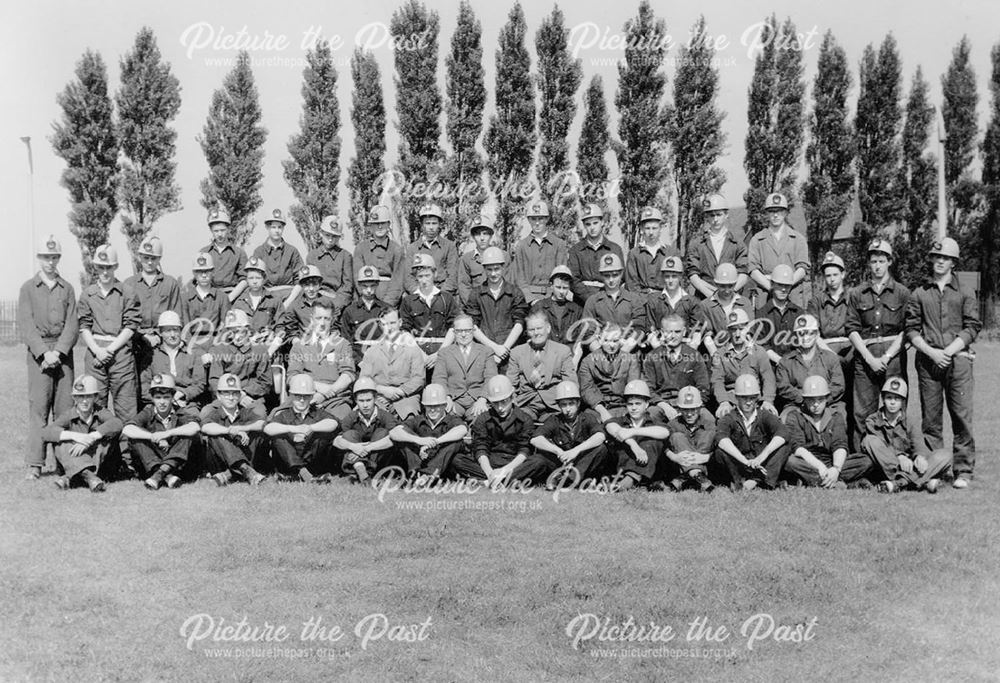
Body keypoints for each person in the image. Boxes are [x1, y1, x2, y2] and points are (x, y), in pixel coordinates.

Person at [905, 237, 981, 489]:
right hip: (928, 363)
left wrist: (949, 350)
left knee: (961, 415)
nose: (940, 261)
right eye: (936, 257)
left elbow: (972, 327)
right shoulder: (919, 292)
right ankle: (936, 468)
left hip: (958, 361)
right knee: (931, 420)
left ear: (953, 262)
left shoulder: (965, 291)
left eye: (945, 258)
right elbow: (912, 330)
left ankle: (963, 470)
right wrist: (931, 352)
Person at [19, 235, 78, 480]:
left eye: (54, 258)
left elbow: (73, 324)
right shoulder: (28, 288)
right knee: (39, 408)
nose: (50, 262)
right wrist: (44, 352)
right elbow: (26, 324)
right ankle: (35, 463)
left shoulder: (67, 288)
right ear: (39, 259)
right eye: (46, 257)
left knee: (64, 410)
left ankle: (64, 462)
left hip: (63, 355)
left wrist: (58, 352)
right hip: (39, 356)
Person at [845, 239, 910, 448]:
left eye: (882, 261)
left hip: (893, 359)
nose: (878, 266)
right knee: (862, 412)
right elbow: (852, 329)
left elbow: (906, 330)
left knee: (896, 407)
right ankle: (863, 462)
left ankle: (898, 458)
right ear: (869, 264)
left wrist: (887, 356)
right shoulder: (856, 293)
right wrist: (870, 359)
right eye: (874, 261)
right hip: (865, 359)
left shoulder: (902, 293)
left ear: (889, 262)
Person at [449, 375, 553, 485]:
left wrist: (503, 472)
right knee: (456, 459)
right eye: (495, 403)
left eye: (504, 401)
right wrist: (490, 472)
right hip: (489, 463)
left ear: (512, 397)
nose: (500, 408)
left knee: (539, 461)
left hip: (514, 464)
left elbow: (525, 450)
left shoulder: (525, 419)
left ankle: (491, 481)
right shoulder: (483, 419)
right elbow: (480, 448)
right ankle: (503, 481)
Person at [77, 245, 141, 423]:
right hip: (95, 353)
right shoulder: (87, 294)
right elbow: (84, 326)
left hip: (120, 353)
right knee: (95, 406)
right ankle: (99, 450)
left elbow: (130, 326)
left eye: (109, 267)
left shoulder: (127, 292)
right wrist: (97, 350)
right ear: (95, 267)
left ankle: (127, 450)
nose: (105, 272)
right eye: (101, 267)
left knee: (126, 408)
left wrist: (110, 350)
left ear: (116, 267)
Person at [860, 376, 951, 493]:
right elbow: (880, 446)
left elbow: (918, 444)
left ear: (903, 401)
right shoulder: (872, 421)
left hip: (910, 465)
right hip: (888, 466)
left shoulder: (910, 421)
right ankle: (920, 482)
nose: (892, 402)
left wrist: (920, 457)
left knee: (945, 454)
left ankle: (900, 483)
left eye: (897, 399)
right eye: (889, 398)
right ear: (883, 399)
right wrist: (899, 456)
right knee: (870, 440)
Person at [782, 376, 874, 488]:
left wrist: (836, 469)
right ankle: (845, 483)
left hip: (831, 460)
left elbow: (840, 444)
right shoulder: (795, 416)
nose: (816, 404)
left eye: (820, 400)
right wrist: (820, 466)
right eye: (811, 400)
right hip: (808, 462)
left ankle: (812, 481)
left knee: (866, 461)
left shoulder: (835, 416)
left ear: (826, 399)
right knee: (790, 461)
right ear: (804, 399)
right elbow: (798, 448)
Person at [126, 236, 181, 406]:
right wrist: (141, 336)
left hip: (160, 344)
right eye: (146, 258)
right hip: (135, 343)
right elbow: (126, 318)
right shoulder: (128, 284)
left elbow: (176, 314)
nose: (149, 262)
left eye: (153, 258)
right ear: (140, 258)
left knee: (161, 386)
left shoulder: (170, 283)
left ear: (159, 259)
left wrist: (158, 335)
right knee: (133, 389)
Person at [43, 375, 122, 492]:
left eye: (88, 396)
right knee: (60, 444)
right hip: (77, 457)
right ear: (74, 397)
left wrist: (90, 438)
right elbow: (46, 433)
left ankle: (69, 477)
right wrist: (76, 436)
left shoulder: (101, 412)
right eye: (80, 397)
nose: (84, 401)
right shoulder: (69, 415)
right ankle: (89, 476)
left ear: (95, 397)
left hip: (97, 460)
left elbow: (117, 423)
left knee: (105, 440)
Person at [122, 373, 200, 490]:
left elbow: (195, 427)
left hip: (178, 464)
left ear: (172, 397)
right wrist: (153, 436)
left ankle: (159, 475)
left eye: (166, 397)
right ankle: (166, 476)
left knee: (188, 435)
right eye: (158, 398)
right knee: (136, 437)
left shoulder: (180, 412)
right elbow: (127, 429)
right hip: (153, 460)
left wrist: (167, 434)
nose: (162, 402)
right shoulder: (147, 412)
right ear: (152, 398)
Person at [713, 374, 789, 490]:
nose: (748, 402)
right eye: (744, 398)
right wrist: (745, 461)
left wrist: (761, 457)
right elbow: (721, 438)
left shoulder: (764, 415)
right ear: (736, 397)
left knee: (784, 446)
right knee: (720, 452)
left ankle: (757, 481)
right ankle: (740, 481)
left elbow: (783, 432)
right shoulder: (729, 417)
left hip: (762, 462)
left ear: (757, 397)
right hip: (740, 463)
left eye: (752, 398)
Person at [531, 380, 612, 488]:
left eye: (571, 404)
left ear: (578, 403)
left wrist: (575, 451)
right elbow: (535, 439)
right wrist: (557, 451)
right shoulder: (554, 420)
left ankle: (567, 479)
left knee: (601, 449)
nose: (568, 409)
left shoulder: (587, 417)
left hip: (583, 463)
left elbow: (600, 436)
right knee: (539, 457)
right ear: (559, 406)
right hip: (562, 463)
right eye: (563, 405)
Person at [287, 298, 356, 421]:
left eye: (327, 318)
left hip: (335, 400)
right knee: (279, 421)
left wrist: (326, 393)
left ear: (332, 320)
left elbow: (348, 375)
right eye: (319, 318)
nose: (322, 323)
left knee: (341, 423)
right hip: (302, 397)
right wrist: (316, 386)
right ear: (312, 318)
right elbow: (292, 377)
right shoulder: (299, 346)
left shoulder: (342, 344)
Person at [264, 374, 340, 482]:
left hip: (312, 461)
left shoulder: (319, 413)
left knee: (323, 433)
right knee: (278, 437)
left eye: (306, 396)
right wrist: (294, 429)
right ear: (291, 395)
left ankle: (299, 474)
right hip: (287, 462)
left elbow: (333, 423)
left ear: (312, 396)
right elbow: (268, 428)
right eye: (298, 396)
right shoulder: (283, 414)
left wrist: (310, 428)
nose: (301, 400)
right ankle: (302, 472)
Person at [506, 311, 578, 422]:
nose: (536, 333)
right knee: (520, 422)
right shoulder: (517, 352)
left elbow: (570, 382)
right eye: (531, 330)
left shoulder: (562, 351)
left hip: (553, 405)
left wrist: (565, 405)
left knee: (553, 425)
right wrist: (513, 404)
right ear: (527, 332)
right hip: (526, 403)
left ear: (548, 329)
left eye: (539, 328)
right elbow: (511, 383)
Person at [199, 373, 268, 486]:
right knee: (218, 435)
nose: (231, 397)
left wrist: (242, 428)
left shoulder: (245, 412)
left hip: (245, 456)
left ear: (240, 395)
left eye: (234, 393)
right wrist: (229, 430)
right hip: (220, 462)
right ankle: (245, 470)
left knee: (257, 433)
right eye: (226, 393)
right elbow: (205, 427)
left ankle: (229, 474)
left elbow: (262, 424)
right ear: (218, 395)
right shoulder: (214, 413)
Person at [389, 383, 469, 480]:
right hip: (421, 463)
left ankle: (429, 475)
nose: (432, 410)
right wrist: (419, 440)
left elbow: (462, 429)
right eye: (429, 406)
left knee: (456, 442)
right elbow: (394, 432)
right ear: (424, 406)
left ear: (444, 405)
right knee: (404, 438)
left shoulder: (452, 419)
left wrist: (435, 442)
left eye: (436, 406)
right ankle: (416, 474)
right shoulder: (418, 420)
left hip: (444, 467)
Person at [604, 379, 671, 492]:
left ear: (647, 405)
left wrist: (633, 432)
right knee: (620, 441)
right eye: (630, 404)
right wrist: (634, 445)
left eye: (638, 404)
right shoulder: (620, 421)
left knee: (652, 442)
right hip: (621, 468)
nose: (634, 408)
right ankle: (636, 480)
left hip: (651, 468)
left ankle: (631, 479)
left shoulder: (653, 422)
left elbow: (665, 432)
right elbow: (610, 426)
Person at [466, 246, 528, 365]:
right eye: (489, 269)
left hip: (510, 352)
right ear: (484, 269)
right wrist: (494, 348)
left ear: (503, 267)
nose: (493, 273)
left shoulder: (515, 292)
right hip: (483, 352)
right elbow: (472, 326)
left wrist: (504, 348)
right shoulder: (476, 293)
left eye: (497, 269)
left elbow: (520, 323)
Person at [358, 308, 425, 419]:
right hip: (379, 398)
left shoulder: (413, 349)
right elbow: (364, 380)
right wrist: (383, 390)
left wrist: (400, 391)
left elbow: (419, 378)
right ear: (380, 325)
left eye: (392, 323)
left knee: (409, 421)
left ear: (400, 322)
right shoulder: (371, 351)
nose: (389, 328)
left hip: (406, 398)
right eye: (385, 324)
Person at [775, 314, 845, 418]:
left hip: (827, 404)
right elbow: (783, 387)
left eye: (810, 333)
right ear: (795, 336)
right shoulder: (786, 361)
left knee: (839, 416)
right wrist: (805, 399)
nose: (805, 338)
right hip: (797, 405)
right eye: (801, 334)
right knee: (786, 418)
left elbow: (838, 385)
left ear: (817, 334)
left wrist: (821, 401)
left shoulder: (830, 358)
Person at [747, 192, 810, 309]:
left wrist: (785, 287)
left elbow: (802, 269)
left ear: (785, 213)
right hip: (766, 295)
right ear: (766, 213)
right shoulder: (757, 240)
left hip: (793, 294)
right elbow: (753, 270)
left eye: (779, 211)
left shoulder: (798, 239)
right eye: (771, 211)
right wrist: (772, 288)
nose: (775, 215)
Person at [710, 309, 777, 418]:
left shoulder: (758, 351)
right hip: (732, 401)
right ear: (728, 331)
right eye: (733, 330)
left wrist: (768, 400)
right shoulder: (720, 354)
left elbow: (768, 377)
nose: (737, 334)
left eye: (741, 329)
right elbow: (717, 381)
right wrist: (723, 401)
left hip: (755, 401)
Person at [643, 314, 710, 422]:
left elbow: (703, 388)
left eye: (677, 332)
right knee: (651, 414)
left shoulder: (695, 356)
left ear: (684, 332)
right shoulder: (652, 357)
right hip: (662, 404)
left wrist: (688, 407)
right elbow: (648, 389)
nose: (673, 336)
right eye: (669, 332)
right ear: (662, 332)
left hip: (690, 404)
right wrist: (664, 406)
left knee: (707, 418)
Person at [333, 377, 400, 484]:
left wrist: (368, 448)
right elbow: (337, 440)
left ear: (375, 399)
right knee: (349, 434)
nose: (365, 405)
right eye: (361, 401)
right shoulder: (350, 417)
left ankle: (364, 472)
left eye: (368, 400)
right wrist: (354, 447)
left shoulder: (385, 416)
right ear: (355, 401)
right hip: (356, 454)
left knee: (382, 433)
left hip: (377, 458)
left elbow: (394, 438)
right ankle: (361, 471)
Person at [431, 314, 497, 420]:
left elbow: (491, 378)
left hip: (477, 399)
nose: (463, 334)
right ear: (454, 332)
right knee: (445, 419)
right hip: (454, 400)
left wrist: (483, 399)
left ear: (473, 330)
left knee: (482, 419)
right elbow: (439, 378)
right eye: (459, 331)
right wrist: (446, 397)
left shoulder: (486, 351)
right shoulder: (444, 353)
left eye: (467, 330)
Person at [399, 253, 459, 367]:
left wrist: (439, 354)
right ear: (415, 277)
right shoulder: (409, 301)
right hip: (418, 353)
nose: (424, 280)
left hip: (443, 352)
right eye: (420, 276)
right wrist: (419, 354)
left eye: (427, 275)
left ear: (435, 274)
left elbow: (453, 327)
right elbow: (405, 330)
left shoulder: (446, 298)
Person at [207, 309, 272, 412]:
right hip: (225, 398)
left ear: (248, 329)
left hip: (251, 397)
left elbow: (265, 382)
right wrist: (234, 396)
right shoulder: (220, 350)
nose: (235, 336)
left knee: (259, 415)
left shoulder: (260, 350)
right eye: (230, 332)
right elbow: (214, 380)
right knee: (207, 413)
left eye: (238, 331)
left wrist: (245, 393)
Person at [581, 253, 647, 354]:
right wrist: (601, 354)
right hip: (601, 354)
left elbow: (640, 328)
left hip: (628, 353)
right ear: (601, 276)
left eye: (615, 275)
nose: (611, 280)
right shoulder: (593, 301)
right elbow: (588, 333)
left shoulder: (634, 300)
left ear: (621, 274)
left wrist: (624, 352)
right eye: (607, 276)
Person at [686, 194, 749, 299]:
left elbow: (743, 273)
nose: (715, 219)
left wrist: (729, 293)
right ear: (707, 217)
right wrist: (710, 295)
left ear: (726, 215)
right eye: (712, 215)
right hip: (704, 299)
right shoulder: (697, 244)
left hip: (731, 299)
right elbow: (692, 274)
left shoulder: (738, 244)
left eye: (719, 215)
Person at [510, 200, 569, 305]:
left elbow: (561, 275)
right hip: (528, 300)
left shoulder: (559, 244)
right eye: (533, 219)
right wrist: (531, 300)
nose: (537, 223)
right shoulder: (521, 246)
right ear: (529, 220)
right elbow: (519, 277)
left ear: (547, 219)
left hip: (553, 298)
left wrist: (553, 298)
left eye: (540, 218)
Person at [578, 323, 641, 421]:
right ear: (599, 339)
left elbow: (634, 387)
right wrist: (602, 410)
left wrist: (629, 408)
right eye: (606, 340)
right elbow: (586, 389)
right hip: (598, 407)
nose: (611, 345)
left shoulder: (630, 360)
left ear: (621, 339)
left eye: (615, 341)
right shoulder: (588, 361)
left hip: (624, 406)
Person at [569, 203, 624, 305]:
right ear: (584, 225)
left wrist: (605, 297)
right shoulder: (575, 250)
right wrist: (590, 299)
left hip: (608, 301)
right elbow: (573, 280)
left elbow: (621, 277)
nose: (592, 227)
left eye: (595, 223)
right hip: (582, 302)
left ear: (602, 222)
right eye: (588, 224)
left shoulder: (615, 249)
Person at [149, 311, 206, 409]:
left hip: (186, 404)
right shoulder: (152, 355)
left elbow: (199, 384)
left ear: (181, 330)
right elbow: (145, 386)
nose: (172, 335)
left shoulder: (194, 352)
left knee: (192, 422)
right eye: (167, 331)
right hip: (158, 403)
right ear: (160, 333)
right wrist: (166, 399)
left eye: (175, 330)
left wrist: (182, 394)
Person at [694, 263, 752, 358]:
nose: (727, 290)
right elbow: (707, 336)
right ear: (716, 284)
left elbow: (749, 333)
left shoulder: (745, 303)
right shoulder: (706, 305)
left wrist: (745, 355)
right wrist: (716, 356)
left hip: (742, 353)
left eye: (730, 286)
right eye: (722, 286)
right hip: (717, 353)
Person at [664, 386, 716, 492]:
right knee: (677, 437)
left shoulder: (708, 423)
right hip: (680, 465)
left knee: (708, 435)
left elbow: (719, 447)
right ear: (679, 409)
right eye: (685, 410)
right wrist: (674, 457)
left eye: (693, 409)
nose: (689, 414)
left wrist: (707, 457)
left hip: (705, 463)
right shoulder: (673, 424)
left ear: (700, 408)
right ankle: (698, 476)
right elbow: (663, 446)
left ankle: (684, 478)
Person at [529, 265, 584, 364]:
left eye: (565, 288)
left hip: (569, 359)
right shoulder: (538, 308)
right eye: (558, 287)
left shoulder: (577, 310)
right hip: (544, 359)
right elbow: (531, 337)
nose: (562, 292)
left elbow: (580, 341)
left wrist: (574, 363)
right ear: (551, 285)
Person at [179, 252, 230, 357]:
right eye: (199, 271)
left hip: (216, 344)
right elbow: (185, 329)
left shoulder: (222, 297)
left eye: (207, 271)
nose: (203, 275)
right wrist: (198, 352)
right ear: (194, 273)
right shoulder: (185, 298)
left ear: (213, 272)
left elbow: (225, 327)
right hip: (192, 344)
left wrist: (214, 349)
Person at [354, 205, 405, 307]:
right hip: (366, 299)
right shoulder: (361, 248)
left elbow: (398, 280)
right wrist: (368, 301)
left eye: (383, 223)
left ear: (389, 224)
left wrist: (387, 304)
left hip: (390, 300)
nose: (380, 227)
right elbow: (357, 278)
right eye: (376, 224)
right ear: (370, 226)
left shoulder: (396, 249)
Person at [645, 256, 700, 349]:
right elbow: (651, 331)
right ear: (662, 277)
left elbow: (697, 332)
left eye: (674, 276)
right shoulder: (653, 300)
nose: (670, 280)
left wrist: (687, 354)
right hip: (660, 349)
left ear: (681, 277)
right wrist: (660, 352)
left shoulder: (691, 302)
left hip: (684, 351)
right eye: (667, 276)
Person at [404, 203, 459, 295]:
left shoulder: (449, 246)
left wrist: (440, 294)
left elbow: (453, 275)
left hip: (442, 291)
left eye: (434, 223)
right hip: (419, 291)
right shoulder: (412, 248)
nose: (431, 227)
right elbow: (408, 277)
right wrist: (419, 293)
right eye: (427, 223)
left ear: (439, 225)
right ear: (422, 225)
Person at [340, 265, 389, 365]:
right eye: (365, 286)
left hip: (382, 360)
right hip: (358, 361)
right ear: (359, 285)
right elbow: (346, 342)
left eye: (372, 286)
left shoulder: (386, 309)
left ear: (377, 284)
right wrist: (358, 361)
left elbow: (392, 338)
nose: (369, 290)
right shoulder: (349, 311)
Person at [625, 206, 679, 295]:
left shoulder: (671, 252)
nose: (651, 232)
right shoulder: (634, 253)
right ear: (642, 229)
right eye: (647, 228)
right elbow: (632, 285)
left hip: (665, 300)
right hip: (641, 300)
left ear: (661, 228)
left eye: (654, 228)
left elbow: (677, 281)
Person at [754, 263, 803, 362]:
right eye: (780, 285)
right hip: (770, 364)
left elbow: (803, 341)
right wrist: (779, 360)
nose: (784, 289)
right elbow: (761, 343)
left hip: (794, 363)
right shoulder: (762, 313)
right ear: (772, 284)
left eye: (787, 286)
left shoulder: (799, 313)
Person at [306, 215, 354, 313]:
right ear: (321, 233)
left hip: (337, 302)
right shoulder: (312, 256)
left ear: (339, 237)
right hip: (315, 300)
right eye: (327, 235)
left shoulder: (345, 256)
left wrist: (335, 306)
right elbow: (308, 284)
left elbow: (347, 288)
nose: (331, 239)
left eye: (334, 236)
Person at [200, 208, 248, 300]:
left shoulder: (239, 253)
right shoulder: (204, 253)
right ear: (211, 231)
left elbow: (245, 280)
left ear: (228, 229)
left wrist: (230, 298)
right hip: (210, 295)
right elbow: (198, 279)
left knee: (239, 314)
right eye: (216, 231)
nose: (220, 234)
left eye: (222, 230)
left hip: (234, 295)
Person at [231, 256, 283, 339]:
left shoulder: (274, 301)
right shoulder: (239, 302)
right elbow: (233, 329)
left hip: (267, 344)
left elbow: (280, 326)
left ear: (264, 279)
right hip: (245, 345)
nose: (254, 281)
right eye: (251, 278)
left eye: (258, 278)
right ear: (247, 280)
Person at [252, 208, 304, 289]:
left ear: (283, 228)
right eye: (273, 227)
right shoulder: (259, 252)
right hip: (266, 294)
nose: (277, 231)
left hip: (288, 292)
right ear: (267, 227)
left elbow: (299, 277)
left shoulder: (292, 251)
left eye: (279, 227)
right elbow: (254, 278)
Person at [457, 213, 496, 306]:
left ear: (491, 236)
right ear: (473, 237)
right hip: (475, 306)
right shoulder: (467, 259)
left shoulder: (502, 256)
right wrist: (473, 306)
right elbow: (464, 286)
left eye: (485, 234)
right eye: (478, 234)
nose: (482, 238)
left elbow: (508, 284)